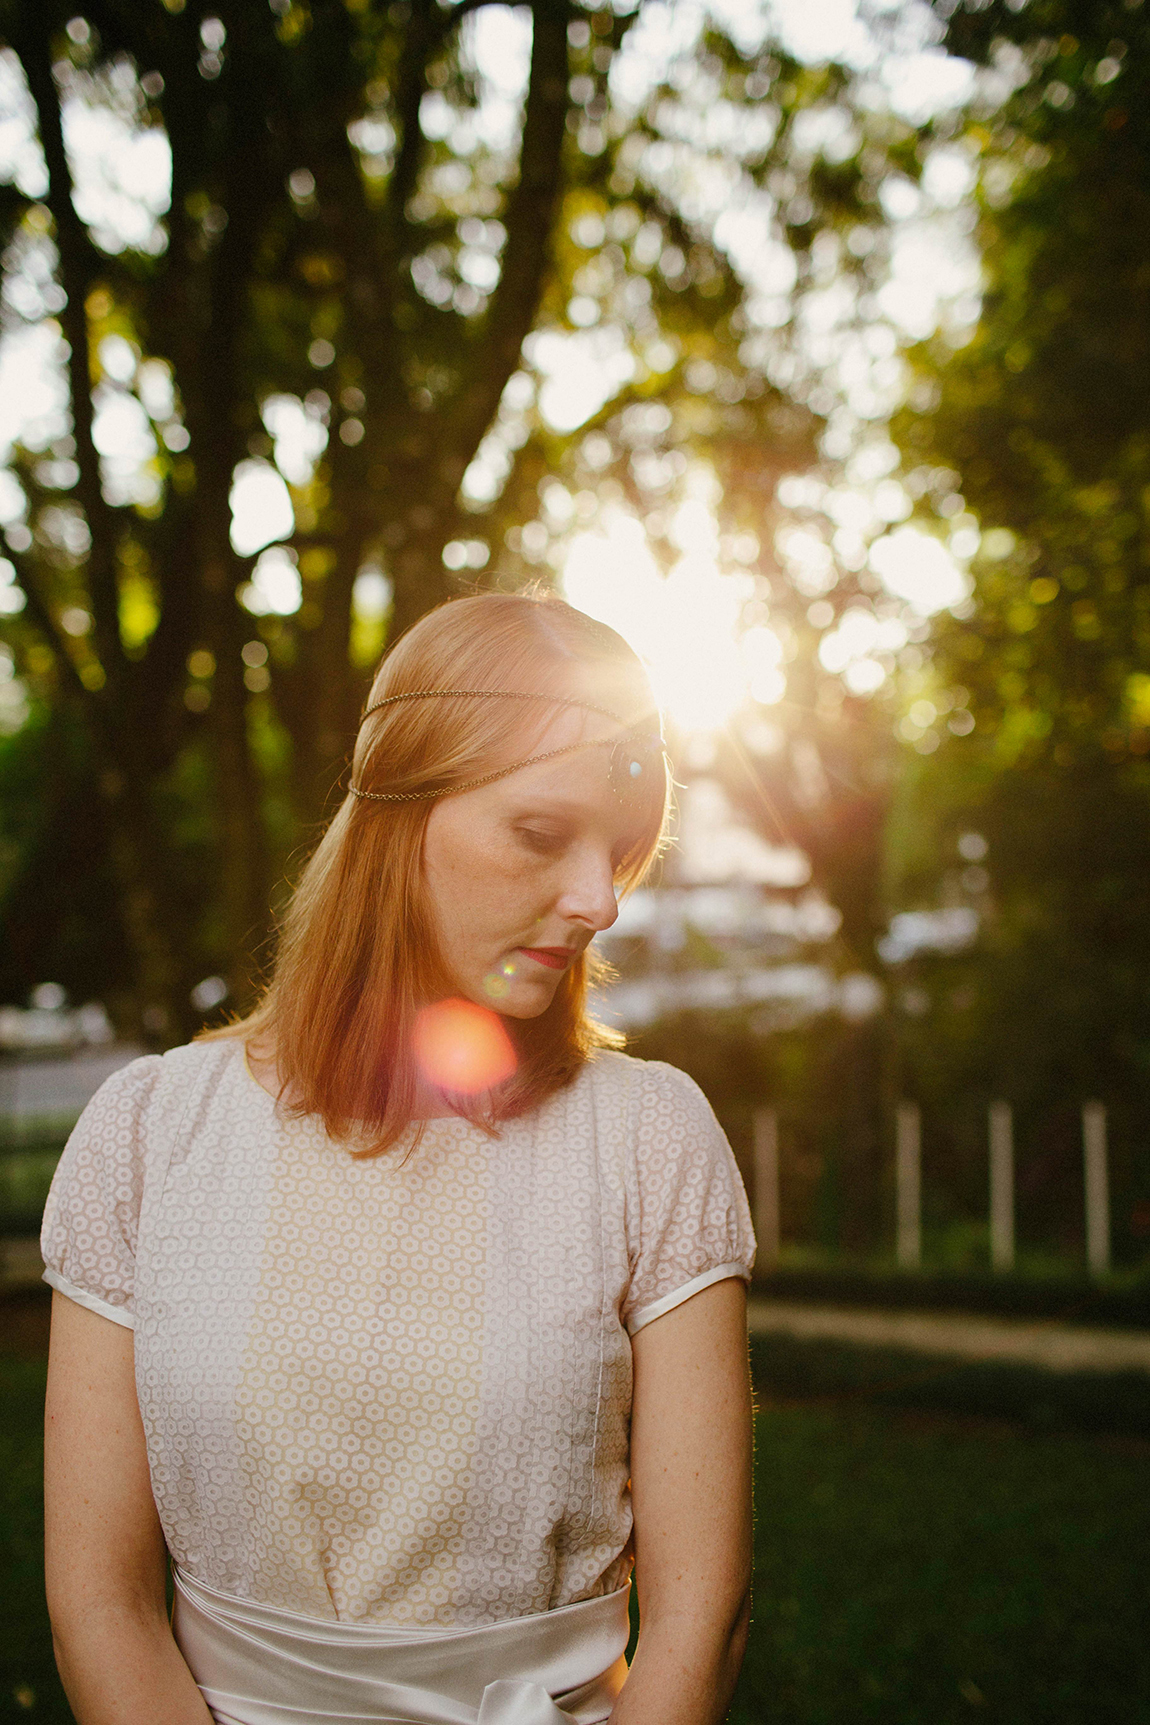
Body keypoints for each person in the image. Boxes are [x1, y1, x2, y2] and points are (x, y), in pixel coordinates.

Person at [41, 592, 755, 1725]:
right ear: (397, 811)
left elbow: (697, 1618)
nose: (599, 900)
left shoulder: (649, 1138)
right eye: (539, 833)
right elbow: (99, 1601)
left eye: (619, 851)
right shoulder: (147, 1134)